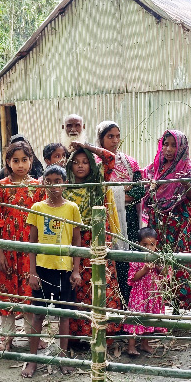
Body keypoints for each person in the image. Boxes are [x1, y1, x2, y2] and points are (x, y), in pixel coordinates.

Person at [25, 165, 82, 378]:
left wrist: (76, 270)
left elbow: (77, 241)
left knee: (64, 316)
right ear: (43, 184)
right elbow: (32, 242)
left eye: (57, 180)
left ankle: (63, 358)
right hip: (42, 269)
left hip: (64, 270)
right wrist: (32, 272)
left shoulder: (72, 208)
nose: (53, 185)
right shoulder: (37, 207)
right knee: (38, 314)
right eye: (48, 181)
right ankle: (32, 360)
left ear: (64, 183)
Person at [64, 144, 124, 338]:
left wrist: (84, 146)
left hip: (98, 238)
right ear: (70, 165)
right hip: (75, 240)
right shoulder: (65, 187)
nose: (80, 166)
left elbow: (110, 158)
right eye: (76, 162)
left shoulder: (98, 182)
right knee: (78, 286)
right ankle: (80, 334)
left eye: (85, 162)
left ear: (91, 164)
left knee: (102, 281)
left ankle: (106, 332)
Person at [0, 141, 45, 351]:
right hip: (7, 246)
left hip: (30, 248)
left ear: (31, 161)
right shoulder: (0, 187)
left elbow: (41, 220)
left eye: (24, 160)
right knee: (7, 290)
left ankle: (33, 336)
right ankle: (7, 337)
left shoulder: (38, 187)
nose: (20, 165)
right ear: (8, 162)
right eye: (16, 160)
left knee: (31, 291)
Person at [141, 130, 191, 311]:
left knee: (180, 260)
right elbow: (146, 191)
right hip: (158, 224)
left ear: (181, 148)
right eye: (165, 144)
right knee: (159, 260)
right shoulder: (154, 168)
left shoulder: (188, 170)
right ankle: (159, 303)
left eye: (173, 145)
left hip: (179, 225)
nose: (168, 149)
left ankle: (180, 304)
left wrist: (185, 183)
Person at [96, 121, 145, 303]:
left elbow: (139, 191)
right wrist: (123, 191)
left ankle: (128, 301)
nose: (115, 140)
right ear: (101, 139)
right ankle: (110, 303)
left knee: (128, 258)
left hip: (129, 219)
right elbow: (98, 194)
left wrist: (116, 193)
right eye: (110, 136)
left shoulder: (129, 162)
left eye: (117, 136)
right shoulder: (94, 164)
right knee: (109, 259)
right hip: (106, 219)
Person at [124, 227, 166, 357]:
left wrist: (159, 266)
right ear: (139, 244)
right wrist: (144, 270)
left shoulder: (158, 257)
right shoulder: (137, 258)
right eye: (144, 244)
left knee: (149, 318)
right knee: (135, 318)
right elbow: (132, 278)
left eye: (152, 244)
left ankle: (144, 344)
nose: (148, 247)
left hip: (152, 293)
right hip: (139, 295)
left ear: (156, 244)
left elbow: (164, 273)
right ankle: (131, 346)